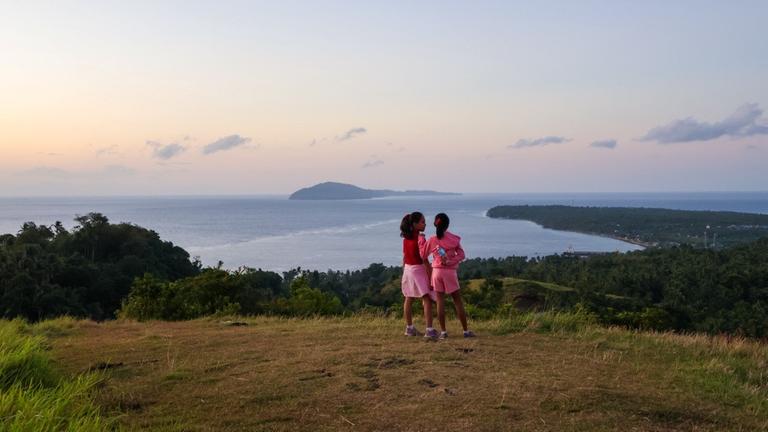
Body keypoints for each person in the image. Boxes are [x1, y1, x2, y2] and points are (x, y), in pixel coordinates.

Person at [421, 213, 475, 339]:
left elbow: (423, 255)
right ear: (448, 225)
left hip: (436, 272)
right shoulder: (453, 239)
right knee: (457, 301)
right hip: (450, 272)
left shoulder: (432, 240)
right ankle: (466, 331)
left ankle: (444, 332)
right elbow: (462, 255)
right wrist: (451, 261)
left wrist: (421, 240)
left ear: (435, 224)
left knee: (440, 302)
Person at [400, 212, 438, 338]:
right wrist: (431, 276)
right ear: (415, 224)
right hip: (418, 269)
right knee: (426, 298)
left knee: (409, 297)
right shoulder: (420, 239)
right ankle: (429, 329)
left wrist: (404, 272)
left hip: (408, 269)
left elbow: (404, 257)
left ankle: (409, 328)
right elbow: (424, 259)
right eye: (422, 222)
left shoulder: (406, 239)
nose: (425, 224)